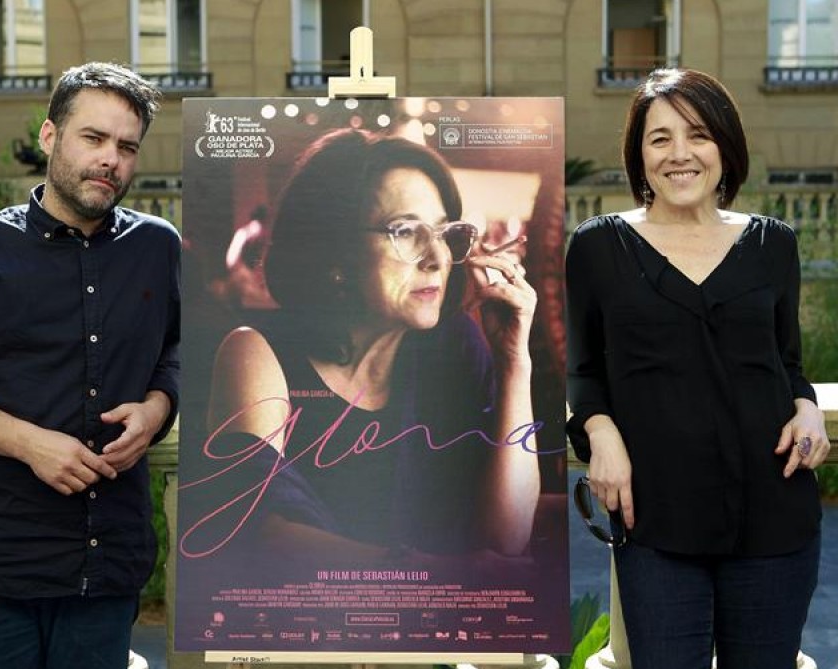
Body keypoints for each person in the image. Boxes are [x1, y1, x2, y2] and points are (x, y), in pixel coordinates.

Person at [0, 62, 180, 669]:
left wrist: (158, 407)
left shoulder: (159, 247)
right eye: (94, 138)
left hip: (109, 559)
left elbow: (179, 352)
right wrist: (31, 444)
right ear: (50, 136)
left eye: (126, 146)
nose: (111, 159)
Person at [565, 68, 831, 669]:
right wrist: (600, 431)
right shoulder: (597, 247)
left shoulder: (773, 244)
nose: (679, 154)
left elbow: (786, 362)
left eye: (699, 135)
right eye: (660, 139)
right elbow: (583, 370)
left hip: (774, 515)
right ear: (639, 154)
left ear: (725, 148)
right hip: (655, 521)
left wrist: (808, 405)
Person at [199, 128, 541, 570]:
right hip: (304, 629)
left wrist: (515, 362)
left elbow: (508, 538)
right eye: (405, 231)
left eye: (443, 233)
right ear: (335, 253)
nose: (437, 257)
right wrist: (440, 575)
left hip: (439, 628)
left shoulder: (453, 345)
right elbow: (262, 535)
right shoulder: (256, 351)